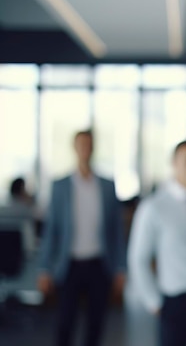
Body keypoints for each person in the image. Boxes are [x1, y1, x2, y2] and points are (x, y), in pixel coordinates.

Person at [128, 139, 186, 346]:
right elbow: (138, 259)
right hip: (173, 303)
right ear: (174, 164)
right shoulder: (153, 207)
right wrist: (154, 303)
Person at [37, 130, 126, 346]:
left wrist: (120, 268)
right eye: (81, 144)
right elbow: (53, 230)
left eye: (88, 144)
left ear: (93, 148)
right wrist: (44, 268)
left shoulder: (106, 185)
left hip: (99, 263)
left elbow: (116, 230)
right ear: (75, 148)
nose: (85, 148)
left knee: (96, 323)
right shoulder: (61, 185)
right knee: (65, 322)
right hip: (69, 264)